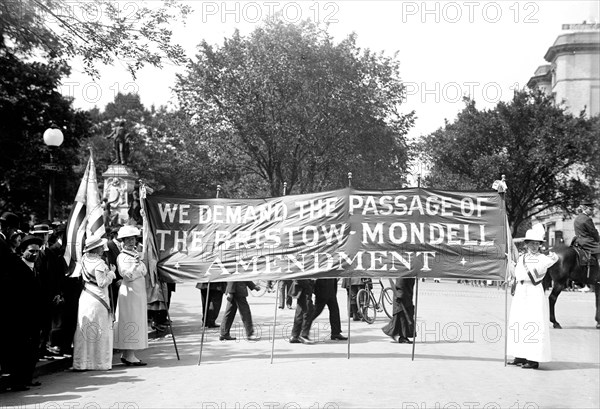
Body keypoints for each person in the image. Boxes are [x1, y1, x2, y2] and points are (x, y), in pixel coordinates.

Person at [507, 224, 558, 369]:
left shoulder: (543, 258)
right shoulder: (521, 257)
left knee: (534, 323)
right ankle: (519, 355)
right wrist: (511, 269)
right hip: (521, 291)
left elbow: (539, 272)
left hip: (534, 290)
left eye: (537, 243)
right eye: (532, 243)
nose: (535, 246)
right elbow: (516, 274)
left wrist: (551, 258)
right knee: (518, 321)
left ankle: (534, 359)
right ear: (527, 244)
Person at [3, 235, 44, 391]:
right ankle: (17, 381)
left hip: (34, 317)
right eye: (31, 251)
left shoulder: (36, 268)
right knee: (20, 351)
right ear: (22, 251)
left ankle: (27, 378)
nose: (35, 254)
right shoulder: (17, 268)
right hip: (21, 317)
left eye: (37, 251)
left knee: (33, 349)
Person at [73, 235, 116, 371]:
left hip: (86, 295)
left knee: (85, 328)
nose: (103, 249)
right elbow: (102, 283)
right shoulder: (99, 264)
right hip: (98, 298)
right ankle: (99, 362)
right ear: (96, 249)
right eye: (100, 247)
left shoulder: (84, 260)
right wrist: (112, 273)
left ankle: (82, 362)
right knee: (99, 328)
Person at [113, 225, 149, 366]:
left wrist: (138, 266)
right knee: (130, 319)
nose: (131, 242)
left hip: (138, 291)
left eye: (133, 239)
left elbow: (144, 271)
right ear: (122, 241)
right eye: (127, 239)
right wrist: (135, 267)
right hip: (129, 292)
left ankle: (128, 353)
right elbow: (126, 275)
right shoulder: (122, 256)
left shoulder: (135, 254)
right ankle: (129, 353)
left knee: (137, 318)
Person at [382, 278, 416, 344]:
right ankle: (402, 337)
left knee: (401, 318)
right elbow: (400, 283)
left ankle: (394, 333)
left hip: (406, 296)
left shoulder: (409, 272)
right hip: (401, 297)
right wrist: (400, 295)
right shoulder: (404, 272)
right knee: (402, 318)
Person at [289, 279, 315, 344]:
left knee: (300, 312)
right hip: (303, 286)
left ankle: (295, 336)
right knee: (307, 311)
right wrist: (309, 285)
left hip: (302, 287)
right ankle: (303, 335)